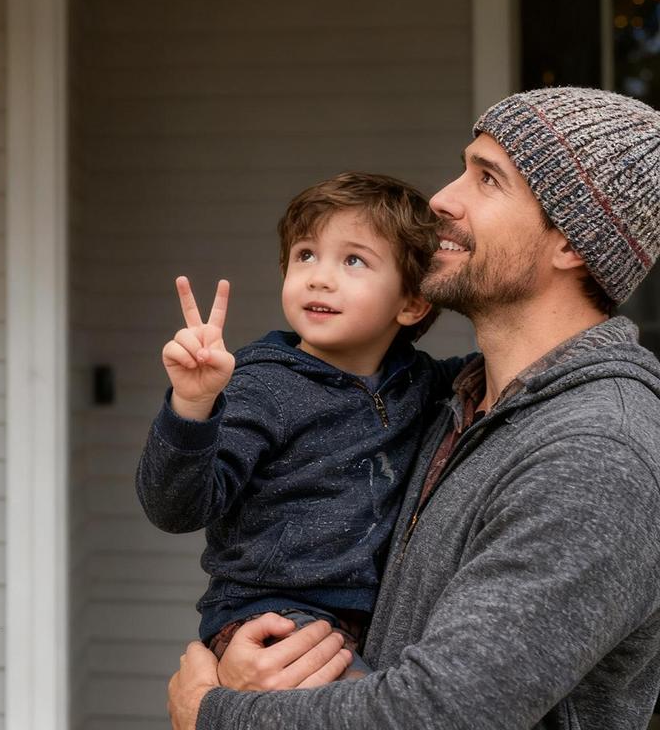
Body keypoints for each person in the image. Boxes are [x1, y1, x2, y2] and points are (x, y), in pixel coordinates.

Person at [167, 86, 660, 730]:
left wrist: (213, 713)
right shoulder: (448, 400)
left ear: (570, 242)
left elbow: (441, 713)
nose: (442, 200)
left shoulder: (595, 454)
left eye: (487, 179)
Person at [137, 173, 469, 676]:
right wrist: (192, 403)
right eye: (305, 255)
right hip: (268, 616)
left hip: (371, 621)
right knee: (364, 706)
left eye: (353, 260)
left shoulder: (419, 384)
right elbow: (175, 508)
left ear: (411, 304)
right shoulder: (263, 386)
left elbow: (497, 367)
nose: (318, 277)